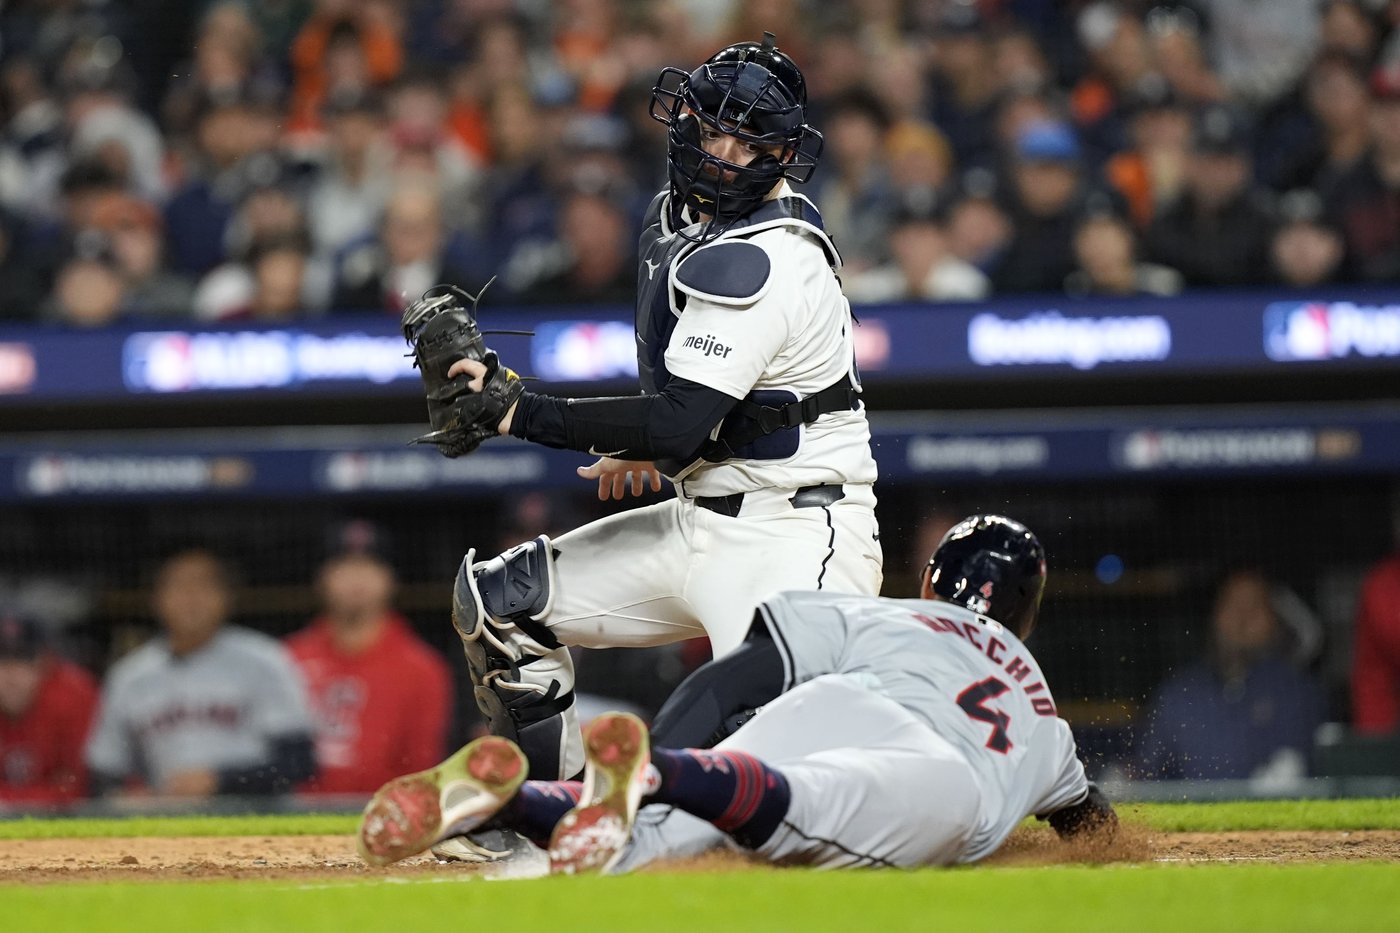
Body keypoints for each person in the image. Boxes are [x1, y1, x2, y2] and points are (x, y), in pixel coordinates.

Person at [399, 34, 882, 792]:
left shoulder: (767, 252)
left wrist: (517, 411)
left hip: (796, 534)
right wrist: (655, 450)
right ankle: (546, 813)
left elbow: (679, 423)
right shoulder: (675, 217)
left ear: (781, 157)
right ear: (682, 115)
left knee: (779, 794)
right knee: (499, 604)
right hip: (701, 518)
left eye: (748, 143)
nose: (723, 153)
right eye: (713, 125)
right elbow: (693, 409)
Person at [357, 515, 1114, 873]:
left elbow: (736, 677)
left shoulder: (886, 613)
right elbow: (1090, 824)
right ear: (1026, 613)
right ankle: (650, 775)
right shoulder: (1039, 707)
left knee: (653, 839)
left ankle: (514, 800)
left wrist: (670, 744)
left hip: (835, 701)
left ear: (932, 581)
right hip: (938, 768)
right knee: (794, 808)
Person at [85, 548, 317, 798]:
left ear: (227, 597)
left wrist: (221, 780)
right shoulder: (130, 676)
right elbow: (103, 772)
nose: (191, 598)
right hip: (169, 824)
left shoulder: (265, 660)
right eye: (179, 587)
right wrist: (127, 796)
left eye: (204, 586)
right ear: (157, 599)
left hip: (256, 819)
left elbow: (299, 762)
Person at [286, 521, 453, 795]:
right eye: (345, 566)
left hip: (384, 817)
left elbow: (421, 769)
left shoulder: (422, 667)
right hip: (292, 818)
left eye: (370, 566)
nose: (357, 578)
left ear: (391, 579)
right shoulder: (288, 658)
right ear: (322, 578)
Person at [1134, 568, 1326, 781]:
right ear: (1214, 615)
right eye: (1231, 605)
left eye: (1254, 607)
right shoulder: (1178, 695)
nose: (1242, 619)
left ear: (1275, 621)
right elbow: (1146, 773)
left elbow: (1317, 769)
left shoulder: (1298, 693)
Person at [0, 610, 99, 807]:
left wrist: (9, 801)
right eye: (2, 662)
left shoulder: (75, 695)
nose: (13, 676)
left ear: (45, 663)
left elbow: (80, 786)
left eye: (24, 660)